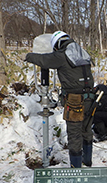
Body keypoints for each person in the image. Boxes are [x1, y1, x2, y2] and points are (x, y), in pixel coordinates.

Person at [25, 31, 95, 168]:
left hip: (75, 101)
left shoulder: (62, 55)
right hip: (90, 98)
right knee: (86, 130)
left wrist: (28, 56)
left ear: (57, 44)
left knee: (74, 135)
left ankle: (76, 169)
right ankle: (87, 162)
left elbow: (44, 60)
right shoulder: (81, 52)